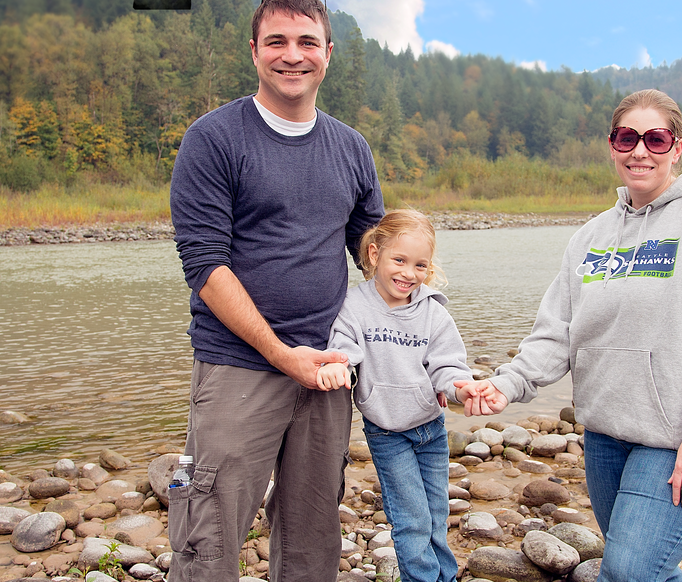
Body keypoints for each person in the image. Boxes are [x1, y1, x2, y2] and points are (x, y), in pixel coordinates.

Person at [456, 89, 682, 581]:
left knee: (628, 571)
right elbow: (557, 333)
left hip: (681, 439)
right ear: (612, 145)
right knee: (650, 571)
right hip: (606, 438)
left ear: (676, 148)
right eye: (627, 137)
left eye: (655, 139)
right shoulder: (591, 236)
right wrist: (506, 384)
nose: (639, 150)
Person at [166, 0, 384, 579]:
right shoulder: (213, 140)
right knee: (207, 532)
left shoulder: (351, 148)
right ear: (255, 52)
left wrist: (429, 352)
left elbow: (376, 260)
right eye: (278, 41)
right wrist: (281, 354)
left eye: (308, 42)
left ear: (328, 53)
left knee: (314, 534)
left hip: (328, 368)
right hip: (239, 365)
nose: (294, 55)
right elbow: (206, 266)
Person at [316, 209, 505, 582]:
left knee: (435, 514)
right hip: (387, 433)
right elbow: (344, 349)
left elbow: (447, 366)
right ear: (374, 255)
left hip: (430, 429)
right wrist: (338, 367)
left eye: (420, 265)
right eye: (398, 260)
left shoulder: (433, 313)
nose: (408, 273)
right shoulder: (355, 306)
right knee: (411, 519)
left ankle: (444, 576)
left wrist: (460, 388)